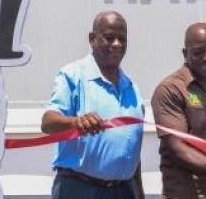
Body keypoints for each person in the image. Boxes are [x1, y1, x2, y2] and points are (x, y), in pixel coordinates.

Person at [41, 10, 146, 199]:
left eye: (122, 38)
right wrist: (76, 122)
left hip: (124, 190)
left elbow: (131, 149)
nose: (117, 44)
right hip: (80, 188)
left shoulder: (132, 88)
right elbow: (48, 122)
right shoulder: (72, 75)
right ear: (92, 39)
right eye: (109, 37)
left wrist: (139, 192)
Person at [151, 22, 206, 199]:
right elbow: (177, 149)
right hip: (189, 192)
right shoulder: (170, 90)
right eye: (199, 52)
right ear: (185, 53)